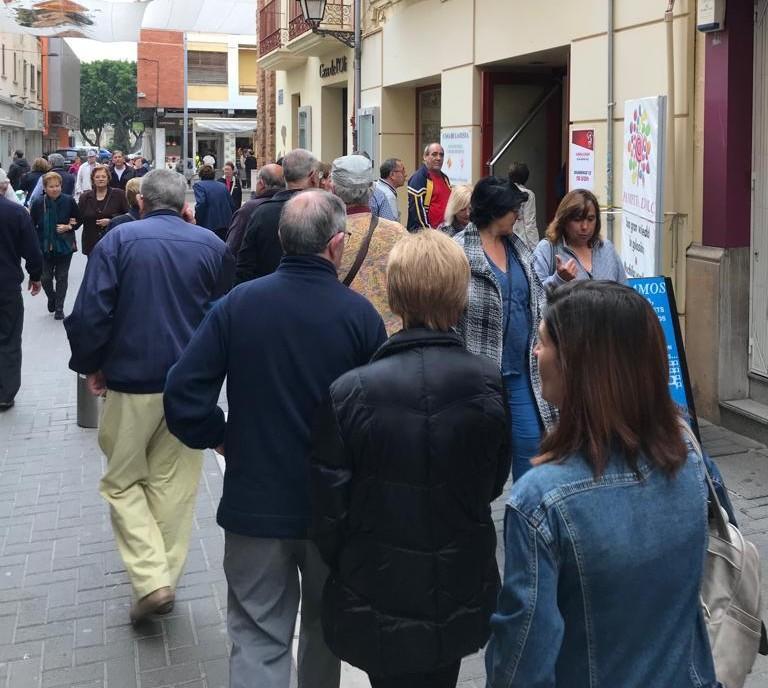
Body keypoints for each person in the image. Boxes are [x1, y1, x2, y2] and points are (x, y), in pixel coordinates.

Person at [164, 190, 386, 688]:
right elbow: (379, 418)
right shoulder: (360, 318)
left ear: (283, 239)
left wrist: (219, 436)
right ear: (336, 246)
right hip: (334, 506)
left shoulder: (236, 306)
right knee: (327, 632)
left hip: (254, 502)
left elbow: (181, 393)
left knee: (257, 633)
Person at [485, 280, 719, 688]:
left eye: (542, 342)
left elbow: (522, 663)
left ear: (579, 364)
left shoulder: (540, 501)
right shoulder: (690, 456)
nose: (535, 354)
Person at [311, 229, 509, 688]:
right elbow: (493, 480)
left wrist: (351, 561)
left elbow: (328, 508)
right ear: (458, 295)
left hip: (378, 582)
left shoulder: (351, 391)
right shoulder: (486, 382)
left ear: (396, 295)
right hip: (459, 576)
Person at [64, 169, 234, 625]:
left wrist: (92, 364)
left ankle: (151, 577)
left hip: (131, 381)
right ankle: (162, 577)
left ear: (141, 203)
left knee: (121, 481)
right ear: (186, 207)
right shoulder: (214, 248)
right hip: (190, 389)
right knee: (175, 488)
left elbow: (92, 310)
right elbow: (226, 317)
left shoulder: (119, 242)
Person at [454, 176, 556, 480]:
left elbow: (533, 297)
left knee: (531, 448)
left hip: (522, 367)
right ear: (495, 211)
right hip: (477, 375)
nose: (518, 215)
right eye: (513, 210)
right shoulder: (457, 251)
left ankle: (523, 521)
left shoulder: (518, 247)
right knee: (479, 457)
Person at [332, 154, 407, 334]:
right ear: (372, 190)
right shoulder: (398, 232)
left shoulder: (325, 233)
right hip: (390, 333)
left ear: (333, 190)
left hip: (343, 330)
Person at [235, 149, 317, 284]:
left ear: (284, 176)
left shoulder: (261, 212)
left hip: (265, 294)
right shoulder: (323, 209)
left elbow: (244, 264)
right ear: (313, 176)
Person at [532, 188, 627, 288]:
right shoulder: (547, 249)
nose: (585, 227)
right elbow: (534, 296)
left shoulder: (606, 248)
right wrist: (558, 280)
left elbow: (625, 294)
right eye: (577, 220)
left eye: (590, 219)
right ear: (564, 220)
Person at [0, 193, 42, 411]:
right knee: (8, 339)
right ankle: (5, 394)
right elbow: (32, 249)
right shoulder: (15, 212)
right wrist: (35, 275)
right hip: (6, 286)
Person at [29, 172, 80, 320]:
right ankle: (51, 298)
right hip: (44, 246)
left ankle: (59, 307)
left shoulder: (68, 200)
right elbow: (31, 225)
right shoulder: (38, 202)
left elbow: (78, 219)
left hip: (64, 245)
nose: (55, 189)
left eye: (57, 186)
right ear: (45, 188)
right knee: (45, 278)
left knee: (62, 277)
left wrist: (68, 226)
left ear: (61, 186)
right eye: (51, 186)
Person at [225, 163, 284, 256]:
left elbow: (232, 246)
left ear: (261, 184)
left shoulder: (250, 209)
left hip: (255, 268)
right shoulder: (293, 204)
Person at [78, 164, 129, 256]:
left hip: (113, 240)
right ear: (93, 179)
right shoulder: (84, 197)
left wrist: (111, 221)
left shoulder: (119, 194)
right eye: (97, 177)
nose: (100, 179)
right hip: (91, 242)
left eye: (103, 176)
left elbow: (127, 216)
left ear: (108, 178)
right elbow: (78, 218)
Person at [407, 143, 451, 231]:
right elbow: (417, 212)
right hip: (426, 236)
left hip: (445, 233)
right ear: (425, 157)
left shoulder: (444, 178)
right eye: (434, 154)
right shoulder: (419, 178)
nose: (438, 158)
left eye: (441, 155)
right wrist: (429, 233)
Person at [194, 164, 234, 241]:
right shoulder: (222, 185)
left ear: (200, 175)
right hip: (225, 223)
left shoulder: (199, 185)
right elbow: (231, 204)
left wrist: (197, 220)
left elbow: (201, 203)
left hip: (209, 224)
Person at [508, 162, 539, 249]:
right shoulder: (528, 194)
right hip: (521, 241)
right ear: (526, 177)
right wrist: (535, 248)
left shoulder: (503, 191)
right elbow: (530, 223)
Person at [370, 158, 406, 222]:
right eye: (403, 171)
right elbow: (392, 226)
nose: (405, 175)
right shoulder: (388, 195)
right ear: (392, 175)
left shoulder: (375, 186)